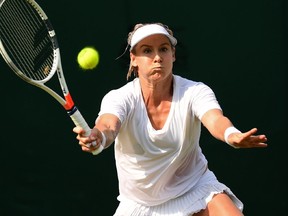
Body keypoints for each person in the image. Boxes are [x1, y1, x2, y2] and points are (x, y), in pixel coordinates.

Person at [73, 22, 268, 216]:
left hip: (195, 188)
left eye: (163, 49)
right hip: (140, 204)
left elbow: (215, 119)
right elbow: (108, 124)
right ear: (134, 59)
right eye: (147, 51)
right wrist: (98, 136)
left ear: (173, 55)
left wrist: (230, 135)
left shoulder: (195, 91)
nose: (157, 57)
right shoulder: (119, 98)